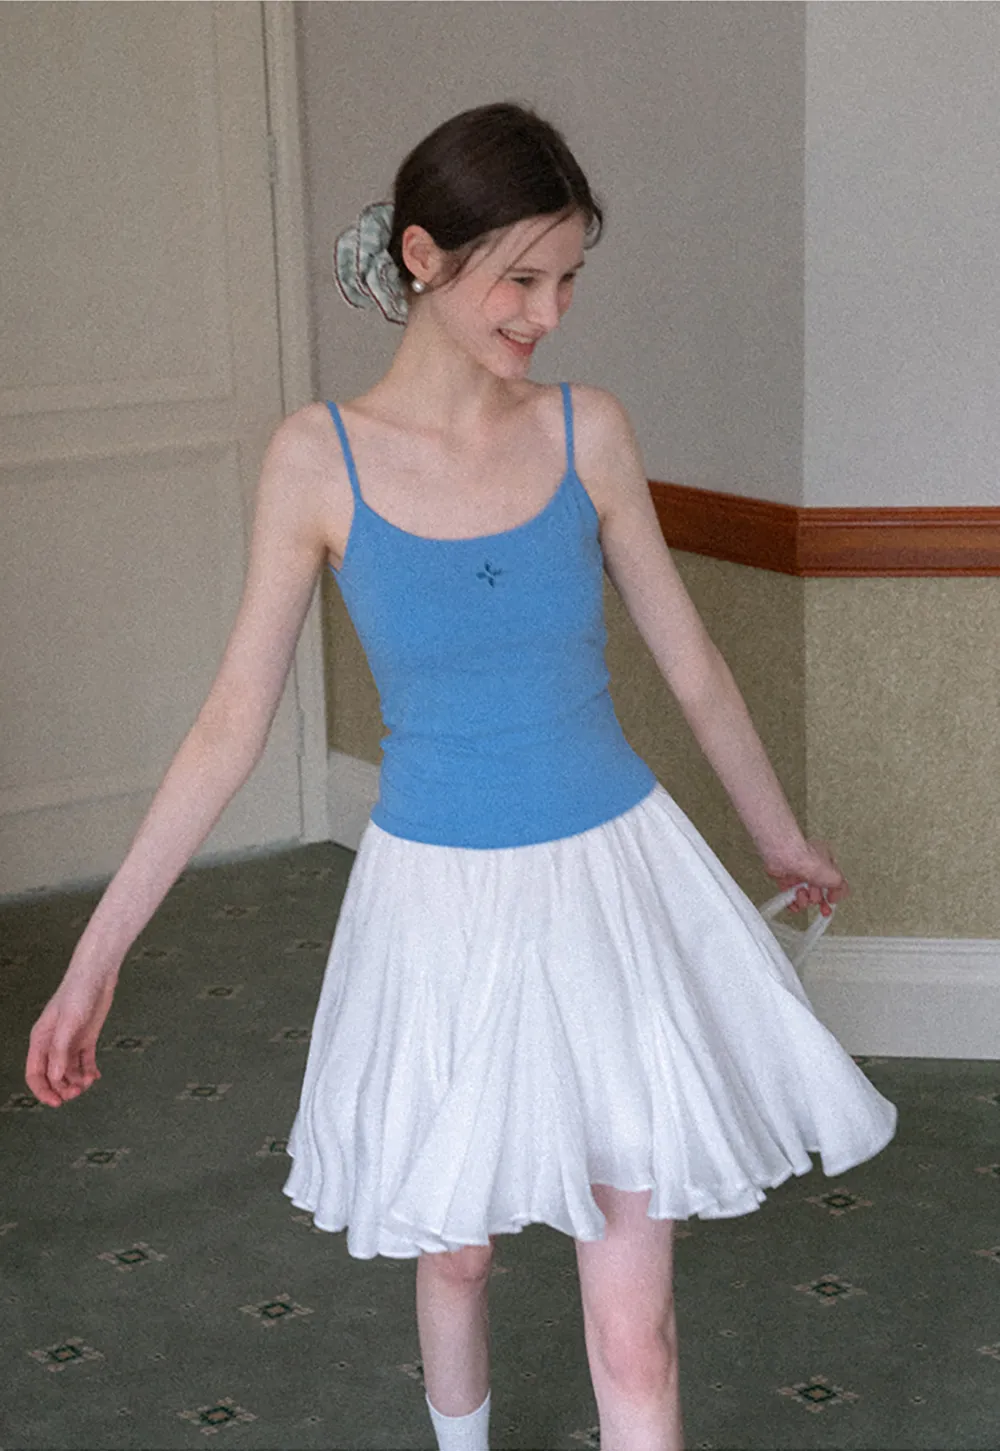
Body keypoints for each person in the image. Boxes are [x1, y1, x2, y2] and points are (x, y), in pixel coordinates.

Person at [26, 102, 897, 1451]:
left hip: (613, 890)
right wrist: (97, 956)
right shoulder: (315, 460)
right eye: (521, 278)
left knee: (634, 1325)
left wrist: (779, 835)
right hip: (436, 907)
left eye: (568, 280)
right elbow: (230, 722)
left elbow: (698, 667)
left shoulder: (587, 431)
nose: (548, 313)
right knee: (459, 1256)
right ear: (424, 258)